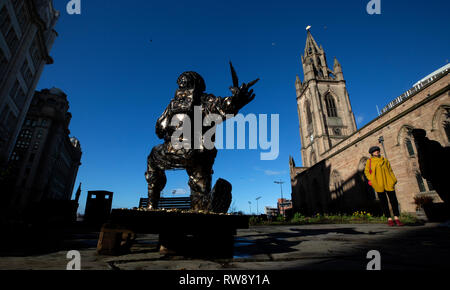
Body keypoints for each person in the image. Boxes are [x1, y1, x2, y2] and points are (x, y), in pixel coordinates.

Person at [364, 146, 404, 226]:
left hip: (388, 182)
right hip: (378, 184)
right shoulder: (370, 161)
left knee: (394, 201)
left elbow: (390, 170)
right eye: (375, 151)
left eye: (377, 150)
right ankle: (389, 218)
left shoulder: (385, 160)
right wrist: (372, 180)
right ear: (372, 153)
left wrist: (393, 180)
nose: (376, 152)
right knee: (384, 202)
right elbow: (366, 171)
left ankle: (396, 218)